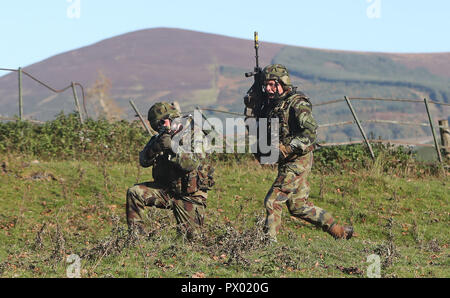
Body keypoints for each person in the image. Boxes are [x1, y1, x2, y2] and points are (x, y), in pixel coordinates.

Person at [244, 64, 353, 242]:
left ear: (283, 83)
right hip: (288, 161)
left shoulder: (297, 103)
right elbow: (254, 126)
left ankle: (268, 245)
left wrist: (286, 148)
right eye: (266, 85)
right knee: (297, 206)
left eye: (273, 84)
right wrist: (251, 105)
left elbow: (310, 133)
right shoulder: (272, 105)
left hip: (298, 160)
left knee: (273, 201)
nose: (269, 89)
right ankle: (339, 231)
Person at [126, 102, 214, 240]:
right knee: (134, 193)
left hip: (190, 195)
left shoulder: (195, 134)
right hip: (167, 191)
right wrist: (155, 148)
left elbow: (190, 164)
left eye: (163, 123)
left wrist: (171, 148)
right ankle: (137, 240)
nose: (161, 127)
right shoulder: (162, 137)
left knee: (192, 240)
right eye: (158, 126)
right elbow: (143, 161)